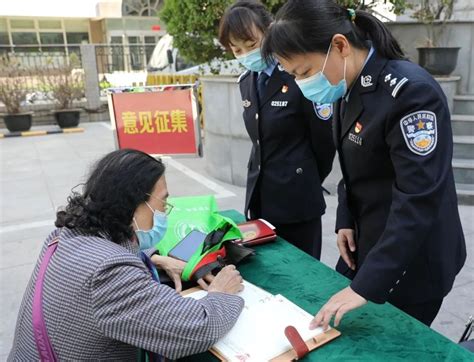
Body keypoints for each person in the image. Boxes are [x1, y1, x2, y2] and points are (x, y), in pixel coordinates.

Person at [262, 0, 466, 328]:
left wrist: (365, 287)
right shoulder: (346, 83)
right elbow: (354, 163)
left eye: (305, 72)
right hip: (370, 240)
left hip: (413, 260)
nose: (302, 84)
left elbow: (418, 198)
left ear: (339, 46)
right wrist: (345, 218)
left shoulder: (409, 93)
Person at [8, 149, 244, 361]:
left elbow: (111, 248)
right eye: (163, 203)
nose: (165, 213)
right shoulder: (108, 273)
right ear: (132, 206)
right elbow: (197, 329)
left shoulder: (65, 234)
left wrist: (152, 256)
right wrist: (220, 293)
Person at [218, 0, 336, 259]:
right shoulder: (247, 81)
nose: (245, 54)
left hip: (298, 201)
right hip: (261, 199)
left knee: (303, 276)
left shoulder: (299, 74)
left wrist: (305, 179)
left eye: (251, 45)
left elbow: (324, 141)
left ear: (269, 31)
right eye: (236, 50)